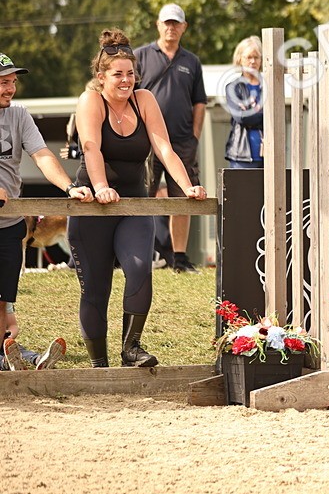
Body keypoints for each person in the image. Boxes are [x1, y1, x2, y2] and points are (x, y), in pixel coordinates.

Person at [70, 29, 207, 368]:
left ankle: (131, 349)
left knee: (140, 267)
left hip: (134, 202)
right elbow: (91, 147)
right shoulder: (91, 100)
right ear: (101, 77)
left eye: (130, 73)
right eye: (118, 74)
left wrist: (187, 185)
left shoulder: (143, 99)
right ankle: (99, 366)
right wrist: (100, 186)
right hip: (93, 206)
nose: (126, 80)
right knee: (96, 290)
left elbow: (164, 147)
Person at [0, 52, 90, 369]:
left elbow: (42, 156)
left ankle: (11, 355)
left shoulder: (20, 116)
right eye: (2, 82)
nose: (9, 88)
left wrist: (68, 187)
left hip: (9, 223)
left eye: (12, 82)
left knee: (4, 301)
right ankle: (14, 355)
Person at [134, 3, 206, 273]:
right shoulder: (140, 56)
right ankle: (139, 253)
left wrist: (195, 136)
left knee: (183, 198)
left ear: (184, 27)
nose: (171, 27)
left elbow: (200, 102)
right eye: (167, 22)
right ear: (158, 24)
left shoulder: (192, 61)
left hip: (182, 142)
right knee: (143, 196)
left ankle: (179, 258)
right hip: (147, 141)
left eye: (176, 23)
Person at [224, 36, 265, 169]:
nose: (253, 61)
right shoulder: (233, 87)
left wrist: (252, 112)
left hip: (269, 156)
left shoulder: (269, 87)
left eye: (256, 57)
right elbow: (241, 117)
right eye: (248, 57)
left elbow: (277, 117)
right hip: (240, 157)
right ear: (239, 59)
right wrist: (263, 113)